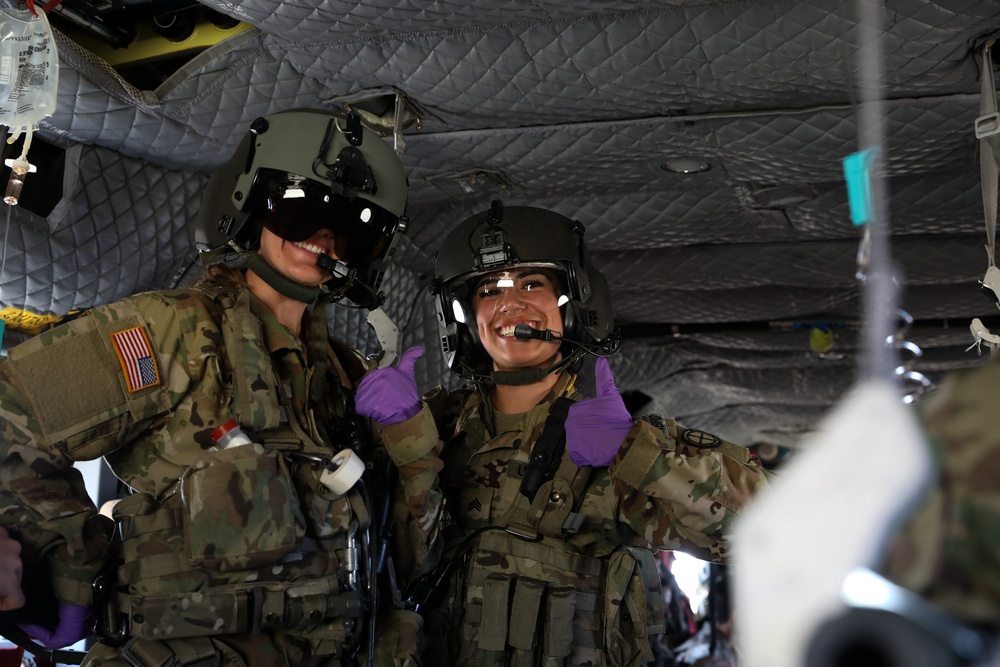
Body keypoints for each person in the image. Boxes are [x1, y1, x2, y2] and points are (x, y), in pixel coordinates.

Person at [0, 108, 439, 666]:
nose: (325, 238)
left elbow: (402, 547)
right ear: (252, 206)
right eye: (301, 209)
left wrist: (411, 436)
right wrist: (71, 569)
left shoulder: (347, 373)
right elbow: (10, 409)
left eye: (355, 226)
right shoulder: (171, 327)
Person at [359, 202, 772, 666]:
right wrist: (401, 438)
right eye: (490, 290)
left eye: (533, 283)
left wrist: (639, 452)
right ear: (467, 320)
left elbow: (775, 530)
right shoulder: (433, 426)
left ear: (574, 305)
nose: (511, 303)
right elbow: (384, 565)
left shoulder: (620, 447)